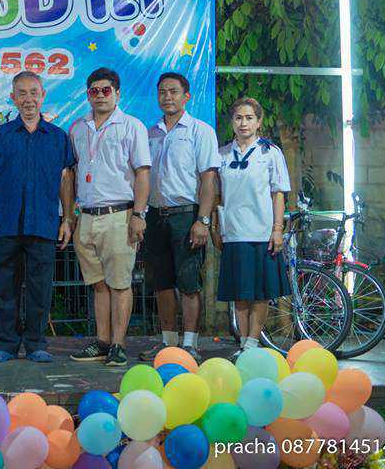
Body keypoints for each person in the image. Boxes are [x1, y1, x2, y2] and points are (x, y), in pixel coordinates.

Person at [0, 71, 76, 364]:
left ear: (43, 96)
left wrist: (67, 219)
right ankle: (7, 345)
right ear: (13, 98)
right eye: (21, 93)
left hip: (44, 224)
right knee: (5, 287)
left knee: (40, 288)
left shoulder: (58, 137)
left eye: (33, 92)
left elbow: (66, 179)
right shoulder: (2, 135)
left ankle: (36, 344)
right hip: (7, 224)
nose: (28, 99)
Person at [68, 67, 150, 367]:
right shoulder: (78, 128)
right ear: (88, 95)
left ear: (117, 93)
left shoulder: (131, 126)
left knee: (120, 283)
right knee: (98, 284)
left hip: (119, 214)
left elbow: (143, 173)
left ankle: (118, 344)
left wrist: (138, 214)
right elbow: (73, 172)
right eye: (94, 91)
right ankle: (102, 342)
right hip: (86, 216)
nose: (100, 96)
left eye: (106, 90)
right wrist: (72, 214)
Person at [139, 73, 219, 364]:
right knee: (161, 282)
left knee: (188, 282)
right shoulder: (151, 133)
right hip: (155, 216)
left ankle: (190, 345)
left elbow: (208, 179)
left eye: (173, 91)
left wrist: (203, 220)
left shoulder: (200, 131)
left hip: (187, 216)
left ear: (187, 96)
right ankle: (168, 343)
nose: (167, 97)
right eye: (162, 92)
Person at [211, 97, 290, 360]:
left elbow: (278, 193)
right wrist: (214, 226)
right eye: (238, 118)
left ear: (258, 122)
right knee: (240, 293)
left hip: (262, 232)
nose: (243, 123)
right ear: (232, 122)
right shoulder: (222, 154)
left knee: (260, 293)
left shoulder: (270, 152)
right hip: (233, 232)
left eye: (249, 118)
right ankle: (243, 343)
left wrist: (277, 229)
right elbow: (216, 195)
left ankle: (253, 342)